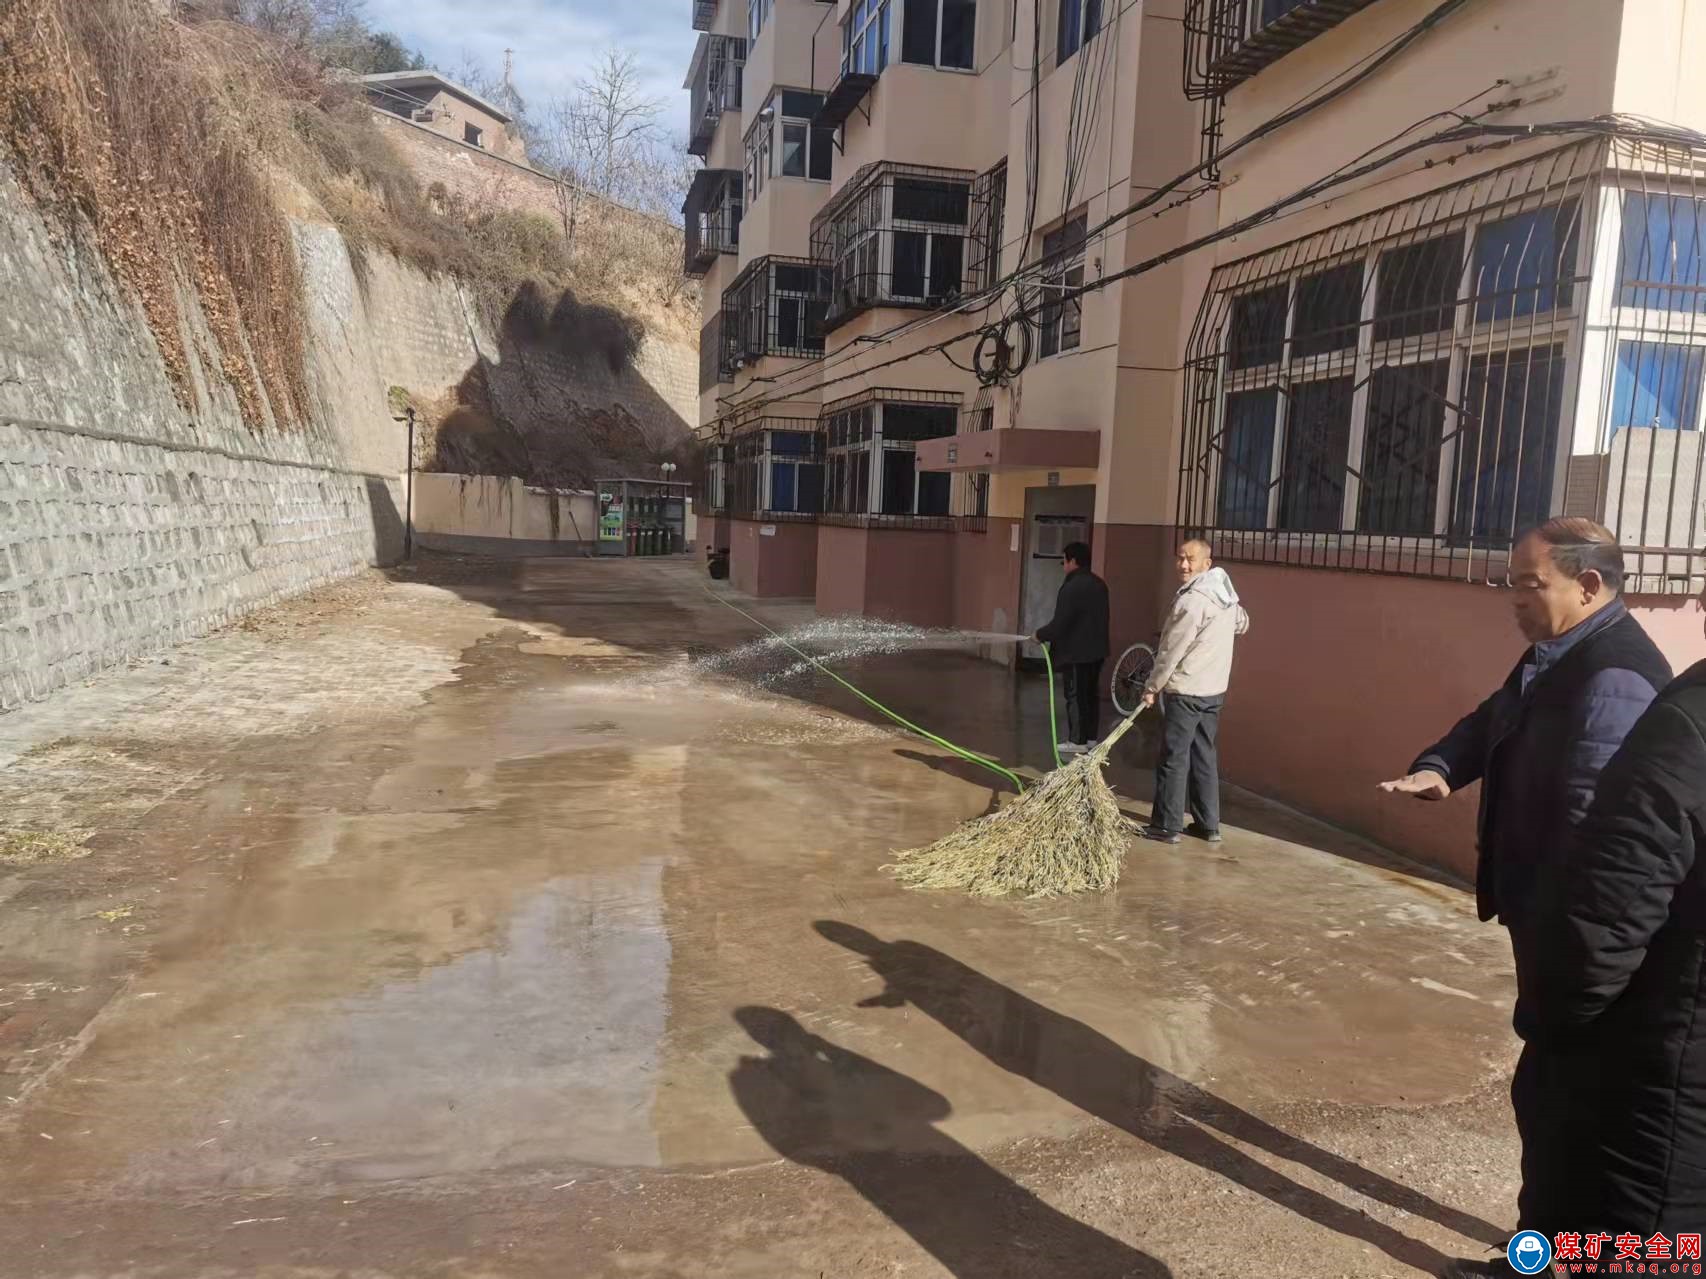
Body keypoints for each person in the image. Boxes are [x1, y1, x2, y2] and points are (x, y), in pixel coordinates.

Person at [1378, 518, 1672, 1279]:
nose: (1512, 598)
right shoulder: (1556, 652)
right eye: (1510, 582)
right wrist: (1442, 764)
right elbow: (1494, 717)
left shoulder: (1614, 678)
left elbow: (1598, 842)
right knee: (1549, 1093)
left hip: (1573, 934)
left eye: (1527, 584)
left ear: (1590, 585)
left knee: (1558, 1097)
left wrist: (1569, 959)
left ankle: (1543, 1254)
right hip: (1545, 919)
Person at [1512, 649, 1706, 1258]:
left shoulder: (1687, 721)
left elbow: (1609, 911)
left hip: (1670, 1054)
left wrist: (1552, 1019)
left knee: (1647, 1241)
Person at [1138, 538, 1249, 846]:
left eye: (1190, 560)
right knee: (1204, 755)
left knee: (1174, 757)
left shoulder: (1193, 600)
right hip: (1214, 690)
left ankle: (1166, 825)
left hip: (1187, 689)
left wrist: (1152, 687)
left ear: (1206, 564)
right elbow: (1243, 623)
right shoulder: (1224, 594)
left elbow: (1172, 648)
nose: (1183, 565)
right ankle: (1208, 825)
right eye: (1180, 558)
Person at [1034, 541, 1110, 756]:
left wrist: (1040, 634)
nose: (1064, 565)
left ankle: (1077, 739)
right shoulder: (1100, 584)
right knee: (1090, 695)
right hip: (1097, 651)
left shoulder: (1072, 587)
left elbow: (1061, 622)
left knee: (1075, 696)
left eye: (1064, 561)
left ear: (1073, 561)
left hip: (1076, 653)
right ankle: (1091, 738)